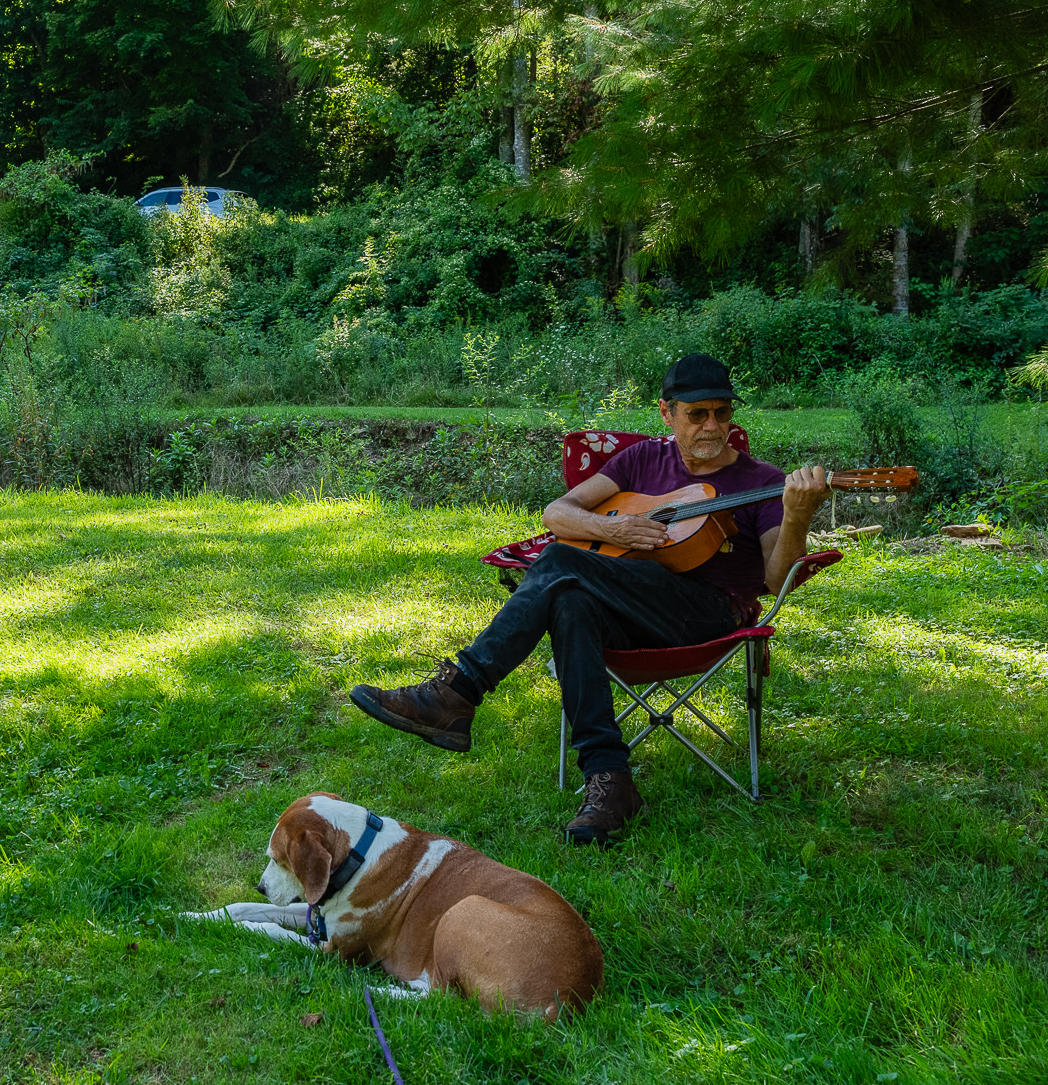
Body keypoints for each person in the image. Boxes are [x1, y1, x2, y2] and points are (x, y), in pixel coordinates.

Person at [348, 354, 832, 846]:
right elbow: (558, 512)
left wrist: (797, 516)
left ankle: (460, 689)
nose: (712, 425)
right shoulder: (643, 459)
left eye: (722, 413)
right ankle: (610, 781)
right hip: (628, 608)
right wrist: (611, 528)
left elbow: (779, 581)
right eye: (697, 413)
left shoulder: (764, 481)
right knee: (570, 602)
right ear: (667, 413)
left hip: (709, 614)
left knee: (560, 563)